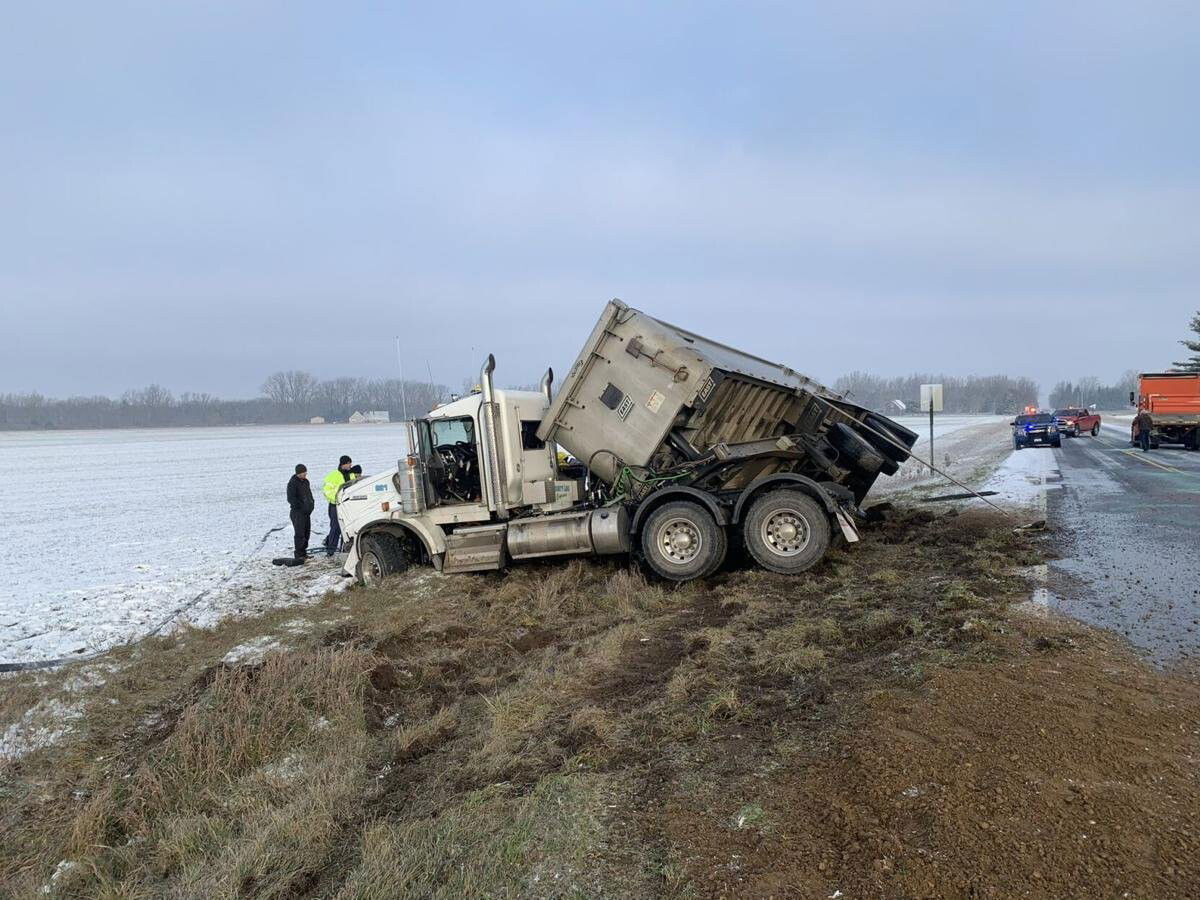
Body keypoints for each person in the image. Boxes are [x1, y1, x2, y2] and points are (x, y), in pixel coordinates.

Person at [323, 455, 354, 555]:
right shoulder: (333, 475)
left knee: (347, 527)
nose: (350, 465)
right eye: (349, 463)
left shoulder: (351, 475)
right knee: (335, 528)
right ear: (343, 464)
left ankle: (344, 548)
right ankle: (330, 550)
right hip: (335, 506)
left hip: (348, 505)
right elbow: (327, 491)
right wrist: (338, 499)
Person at [286, 464, 314, 561]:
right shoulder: (292, 483)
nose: (305, 474)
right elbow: (290, 499)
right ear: (298, 473)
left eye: (305, 472)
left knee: (307, 532)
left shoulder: (306, 482)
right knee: (299, 533)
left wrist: (311, 504)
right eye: (303, 472)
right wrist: (301, 506)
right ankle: (299, 554)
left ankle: (304, 552)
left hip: (307, 512)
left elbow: (309, 494)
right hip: (297, 513)